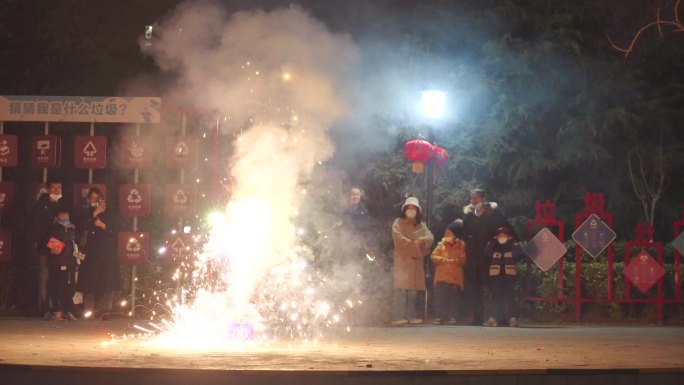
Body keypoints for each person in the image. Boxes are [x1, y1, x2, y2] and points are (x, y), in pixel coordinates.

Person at [461, 188, 515, 326]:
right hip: (473, 258)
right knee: (474, 288)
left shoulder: (494, 215)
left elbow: (507, 232)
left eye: (476, 198)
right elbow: (464, 235)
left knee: (493, 288)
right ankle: (477, 317)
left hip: (491, 257)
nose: (473, 201)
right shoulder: (468, 217)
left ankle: (497, 317)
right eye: (471, 198)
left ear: (483, 199)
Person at [75, 187, 120, 318]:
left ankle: (106, 310)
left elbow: (116, 230)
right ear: (88, 200)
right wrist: (95, 213)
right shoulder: (85, 213)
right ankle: (89, 311)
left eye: (97, 198)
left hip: (107, 252)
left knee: (109, 281)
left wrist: (103, 225)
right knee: (89, 281)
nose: (95, 200)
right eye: (92, 198)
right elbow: (81, 227)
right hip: (90, 252)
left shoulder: (110, 214)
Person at [391, 197, 434, 326]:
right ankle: (398, 316)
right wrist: (412, 244)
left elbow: (429, 238)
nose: (411, 210)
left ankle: (411, 316)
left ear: (417, 210)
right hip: (402, 261)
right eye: (409, 208)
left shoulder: (419, 225)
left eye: (413, 208)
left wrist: (421, 241)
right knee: (401, 289)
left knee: (413, 290)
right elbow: (397, 238)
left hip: (416, 263)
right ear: (404, 209)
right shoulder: (398, 222)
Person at [28, 178, 64, 317]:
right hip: (46, 245)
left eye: (59, 187)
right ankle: (44, 309)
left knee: (58, 278)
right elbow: (37, 226)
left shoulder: (62, 203)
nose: (56, 190)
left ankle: (58, 308)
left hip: (61, 247)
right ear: (48, 189)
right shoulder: (42, 204)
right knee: (45, 277)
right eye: (54, 188)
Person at [42, 207, 78, 321]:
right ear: (57, 218)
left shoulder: (73, 230)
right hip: (56, 263)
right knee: (56, 287)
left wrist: (78, 259)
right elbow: (44, 246)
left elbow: (77, 247)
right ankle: (56, 311)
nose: (64, 219)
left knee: (70, 287)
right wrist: (51, 250)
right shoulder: (52, 229)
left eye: (66, 216)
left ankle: (69, 311)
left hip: (71, 263)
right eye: (62, 217)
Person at [483, 226, 522, 327]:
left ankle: (512, 318)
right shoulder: (493, 244)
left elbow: (518, 254)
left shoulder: (513, 244)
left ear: (508, 236)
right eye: (500, 235)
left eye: (504, 235)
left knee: (510, 296)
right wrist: (493, 241)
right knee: (495, 296)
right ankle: (493, 318)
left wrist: (511, 242)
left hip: (509, 274)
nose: (502, 237)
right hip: (496, 274)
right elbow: (487, 253)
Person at [430, 220, 466, 325]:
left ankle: (453, 317)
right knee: (440, 298)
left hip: (455, 278)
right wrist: (443, 260)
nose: (446, 235)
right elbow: (433, 256)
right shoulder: (441, 245)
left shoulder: (461, 246)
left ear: (455, 234)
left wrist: (455, 261)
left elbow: (463, 260)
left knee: (454, 299)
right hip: (441, 277)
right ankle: (439, 317)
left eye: (449, 233)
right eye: (445, 233)